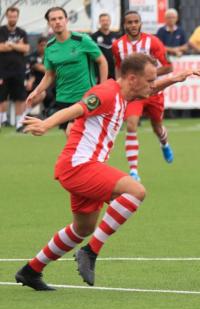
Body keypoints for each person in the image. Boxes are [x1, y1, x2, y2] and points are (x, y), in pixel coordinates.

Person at [14, 53, 200, 291]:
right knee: (136, 191)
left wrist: (176, 78)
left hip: (84, 168)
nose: (152, 84)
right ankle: (90, 252)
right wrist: (46, 123)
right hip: (79, 166)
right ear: (132, 79)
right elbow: (77, 109)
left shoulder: (127, 93)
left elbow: (151, 90)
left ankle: (31, 270)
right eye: (149, 79)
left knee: (82, 228)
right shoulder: (107, 93)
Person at [26, 6, 108, 136]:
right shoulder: (50, 47)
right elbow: (49, 75)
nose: (57, 21)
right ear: (49, 23)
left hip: (85, 97)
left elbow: (102, 61)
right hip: (63, 98)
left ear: (66, 20)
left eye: (60, 18)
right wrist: (36, 91)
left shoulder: (82, 40)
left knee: (72, 133)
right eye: (53, 19)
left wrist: (102, 88)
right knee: (73, 141)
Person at [112, 10, 174, 182]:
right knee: (131, 125)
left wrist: (147, 76)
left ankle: (164, 143)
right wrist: (120, 84)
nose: (133, 25)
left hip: (154, 92)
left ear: (140, 23)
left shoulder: (152, 42)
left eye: (135, 22)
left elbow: (168, 67)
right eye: (129, 22)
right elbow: (119, 68)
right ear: (124, 25)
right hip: (133, 94)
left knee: (157, 128)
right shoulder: (118, 45)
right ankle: (133, 171)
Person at [0, 6, 30, 131]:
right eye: (10, 16)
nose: (12, 18)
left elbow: (26, 49)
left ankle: (19, 123)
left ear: (17, 17)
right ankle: (1, 121)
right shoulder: (1, 31)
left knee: (20, 97)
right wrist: (17, 45)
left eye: (15, 16)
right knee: (1, 97)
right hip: (2, 70)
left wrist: (10, 44)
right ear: (7, 17)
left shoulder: (22, 32)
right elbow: (1, 48)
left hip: (18, 70)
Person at [25, 36, 55, 118]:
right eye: (41, 45)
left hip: (50, 84)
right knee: (41, 93)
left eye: (45, 45)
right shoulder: (32, 56)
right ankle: (25, 113)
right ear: (38, 45)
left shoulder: (51, 56)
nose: (43, 47)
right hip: (34, 84)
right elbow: (42, 69)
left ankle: (48, 114)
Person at [91, 13, 121, 79]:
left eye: (107, 20)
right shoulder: (93, 37)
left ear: (110, 21)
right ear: (99, 22)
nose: (105, 23)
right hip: (100, 71)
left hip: (113, 71)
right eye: (103, 21)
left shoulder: (116, 36)